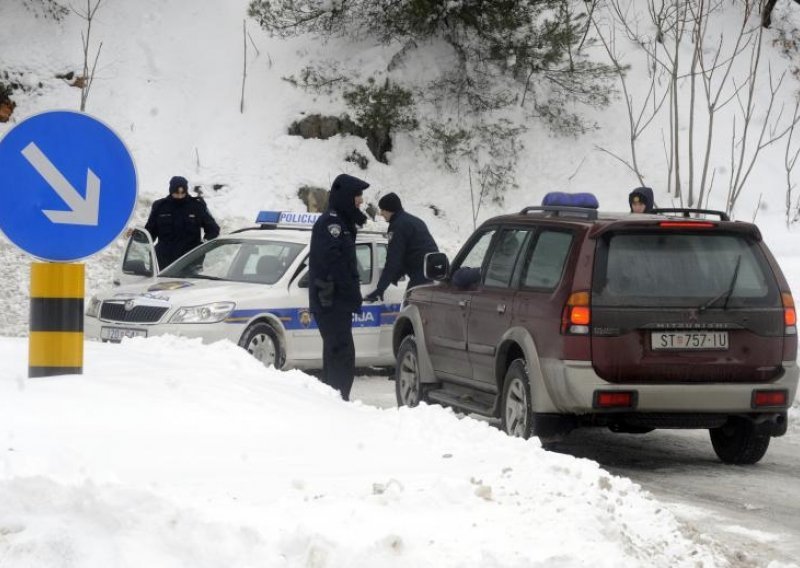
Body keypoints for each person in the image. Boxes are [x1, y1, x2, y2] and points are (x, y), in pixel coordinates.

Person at [308, 173, 370, 401]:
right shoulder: (331, 223)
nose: (361, 201)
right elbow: (332, 263)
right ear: (346, 196)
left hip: (338, 301)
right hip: (331, 301)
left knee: (338, 354)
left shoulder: (342, 223)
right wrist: (345, 292)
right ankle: (338, 403)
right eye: (357, 196)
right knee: (341, 355)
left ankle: (334, 400)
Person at [364, 192, 439, 302]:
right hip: (434, 273)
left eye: (383, 210)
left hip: (421, 276)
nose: (381, 213)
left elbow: (393, 259)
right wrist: (396, 275)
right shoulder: (415, 221)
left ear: (390, 210)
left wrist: (380, 289)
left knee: (410, 310)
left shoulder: (398, 226)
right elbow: (411, 252)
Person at [144, 176, 220, 269]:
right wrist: (136, 234)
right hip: (163, 264)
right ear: (171, 191)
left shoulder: (197, 206)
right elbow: (149, 234)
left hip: (190, 263)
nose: (180, 196)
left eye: (182, 193)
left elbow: (213, 229)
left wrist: (202, 246)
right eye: (177, 193)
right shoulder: (160, 207)